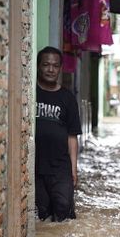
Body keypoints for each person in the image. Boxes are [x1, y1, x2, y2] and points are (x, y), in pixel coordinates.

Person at [35, 46, 82, 221]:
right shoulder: (31, 93)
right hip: (36, 165)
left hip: (60, 166)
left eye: (55, 66)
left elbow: (72, 135)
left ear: (60, 68)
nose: (50, 69)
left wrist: (73, 168)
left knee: (63, 209)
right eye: (46, 65)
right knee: (43, 212)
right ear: (39, 66)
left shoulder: (67, 98)